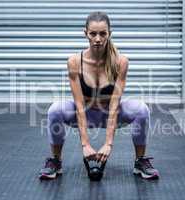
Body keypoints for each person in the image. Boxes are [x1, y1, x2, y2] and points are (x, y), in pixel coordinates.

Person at [39, 11, 159, 180]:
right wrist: (85, 144)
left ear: (109, 33)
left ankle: (140, 161)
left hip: (111, 113)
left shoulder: (120, 62)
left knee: (141, 109)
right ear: (85, 33)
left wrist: (108, 144)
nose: (97, 39)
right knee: (55, 110)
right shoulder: (74, 62)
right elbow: (79, 106)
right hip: (84, 114)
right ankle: (55, 161)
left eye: (103, 33)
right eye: (93, 33)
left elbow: (115, 104)